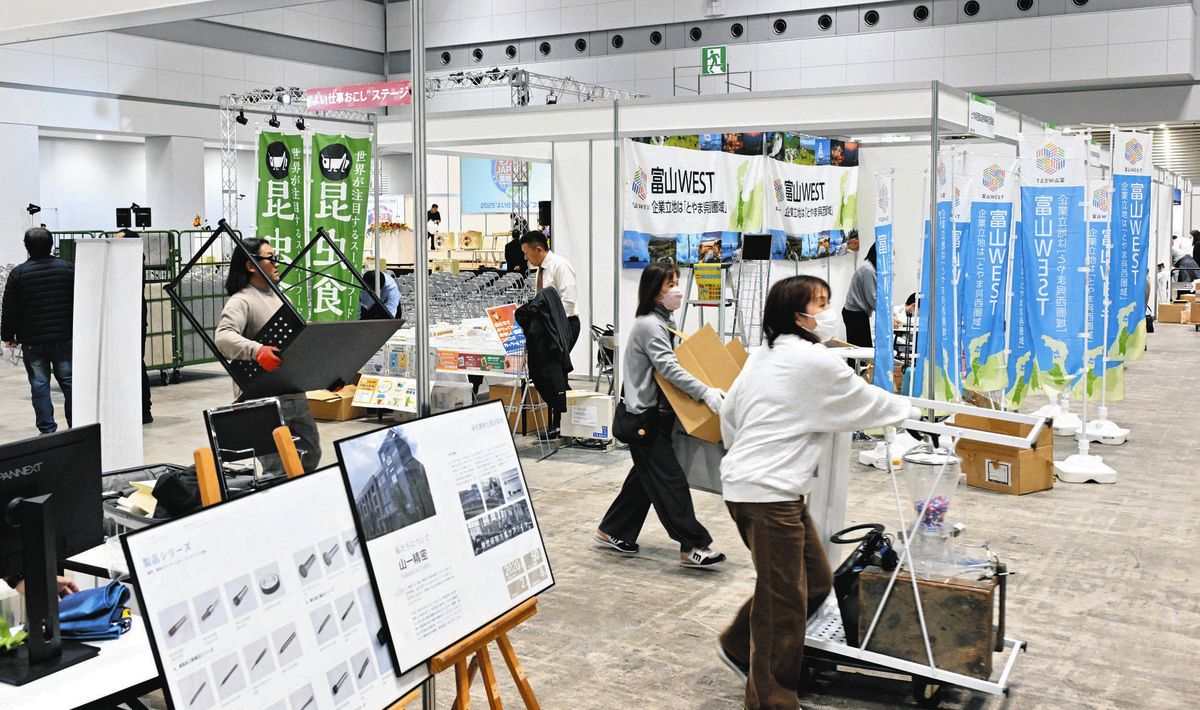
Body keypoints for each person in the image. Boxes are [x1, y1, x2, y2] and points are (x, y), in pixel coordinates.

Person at [716, 275, 914, 710]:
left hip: (757, 486)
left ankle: (738, 645)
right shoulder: (812, 361)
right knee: (784, 602)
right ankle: (772, 701)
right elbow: (866, 402)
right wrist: (910, 409)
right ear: (797, 316)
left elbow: (729, 414)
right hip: (768, 494)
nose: (827, 313)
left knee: (815, 583)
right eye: (819, 304)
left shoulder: (764, 353)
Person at [594, 263, 727, 569]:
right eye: (670, 285)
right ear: (655, 292)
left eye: (677, 282)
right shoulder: (650, 326)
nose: (677, 289)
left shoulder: (662, 322)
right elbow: (668, 368)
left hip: (658, 415)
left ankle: (613, 530)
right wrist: (704, 392)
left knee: (645, 480)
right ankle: (693, 545)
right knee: (670, 482)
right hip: (645, 418)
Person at [215, 238, 321, 472]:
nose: (277, 263)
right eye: (271, 258)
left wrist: (325, 375)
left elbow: (297, 342)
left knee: (310, 456)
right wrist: (257, 351)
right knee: (277, 467)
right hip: (261, 399)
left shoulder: (282, 298)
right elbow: (223, 337)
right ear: (251, 265)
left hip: (293, 393)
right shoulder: (241, 300)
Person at [1, 227, 75, 434]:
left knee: (39, 384)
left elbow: (10, 308)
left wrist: (7, 336)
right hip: (64, 337)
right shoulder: (68, 269)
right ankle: (76, 424)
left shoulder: (18, 273)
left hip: (33, 340)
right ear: (51, 244)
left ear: (27, 247)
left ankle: (47, 429)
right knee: (69, 382)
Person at [521, 230, 580, 435]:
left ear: (538, 249)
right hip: (548, 327)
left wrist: (547, 318)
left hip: (564, 325)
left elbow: (568, 302)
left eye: (527, 253)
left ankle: (562, 422)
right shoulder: (540, 270)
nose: (526, 258)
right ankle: (561, 420)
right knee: (544, 372)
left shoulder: (560, 266)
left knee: (554, 371)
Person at [114, 228, 153, 424]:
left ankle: (144, 409)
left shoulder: (133, 263)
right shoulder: (127, 262)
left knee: (135, 362)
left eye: (119, 241)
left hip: (133, 318)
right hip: (127, 317)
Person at [841, 243, 876, 347]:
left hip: (856, 312)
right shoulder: (868, 270)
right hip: (855, 314)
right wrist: (887, 314)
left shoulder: (869, 267)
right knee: (862, 349)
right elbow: (872, 297)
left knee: (859, 348)